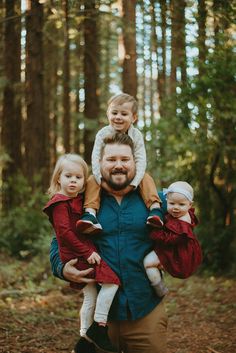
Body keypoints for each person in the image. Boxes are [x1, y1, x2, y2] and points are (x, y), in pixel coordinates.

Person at [50, 133, 168, 353]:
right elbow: (59, 239)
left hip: (145, 312)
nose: (118, 165)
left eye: (125, 159)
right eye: (111, 159)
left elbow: (181, 238)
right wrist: (62, 268)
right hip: (101, 321)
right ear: (99, 162)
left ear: (136, 162)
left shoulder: (155, 201)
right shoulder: (84, 200)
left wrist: (169, 257)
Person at [43, 153, 120, 353]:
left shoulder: (78, 200)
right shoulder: (60, 203)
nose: (73, 181)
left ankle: (85, 337)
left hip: (82, 252)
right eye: (68, 176)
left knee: (90, 297)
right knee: (112, 283)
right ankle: (99, 327)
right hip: (78, 255)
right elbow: (64, 233)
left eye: (78, 178)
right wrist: (86, 253)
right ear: (58, 178)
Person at [76, 93, 163, 236]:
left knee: (146, 177)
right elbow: (96, 159)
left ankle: (154, 209)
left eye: (124, 114)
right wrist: (101, 181)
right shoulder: (102, 134)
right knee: (92, 179)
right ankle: (90, 213)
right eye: (114, 112)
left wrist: (133, 184)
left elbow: (141, 161)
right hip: (105, 177)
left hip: (131, 176)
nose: (118, 117)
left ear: (134, 117)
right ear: (108, 114)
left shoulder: (136, 136)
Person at [144, 181, 202, 283]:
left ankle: (159, 287)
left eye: (181, 204)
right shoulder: (178, 213)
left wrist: (155, 232)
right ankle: (158, 272)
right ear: (167, 201)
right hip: (172, 247)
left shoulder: (183, 223)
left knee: (148, 263)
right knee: (150, 263)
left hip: (177, 253)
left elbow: (172, 239)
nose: (176, 207)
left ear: (190, 205)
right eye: (172, 203)